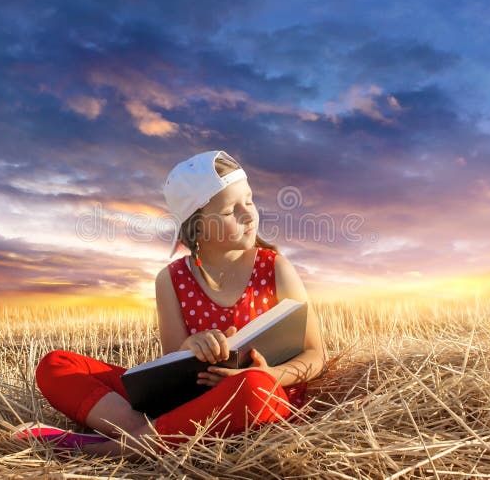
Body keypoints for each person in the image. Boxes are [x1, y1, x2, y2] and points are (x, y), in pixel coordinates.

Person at [29, 150, 327, 459]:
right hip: (190, 403)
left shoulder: (275, 267)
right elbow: (171, 366)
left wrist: (271, 375)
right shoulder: (171, 279)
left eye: (249, 201)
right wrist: (190, 347)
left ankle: (113, 449)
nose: (249, 214)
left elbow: (315, 355)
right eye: (230, 211)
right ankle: (149, 432)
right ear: (197, 227)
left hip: (260, 399)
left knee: (251, 386)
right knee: (55, 366)